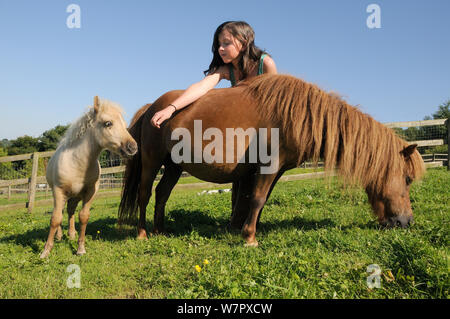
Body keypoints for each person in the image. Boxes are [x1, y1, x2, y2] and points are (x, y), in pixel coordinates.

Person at [150, 20, 277, 128]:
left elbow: (276, 102)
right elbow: (201, 87)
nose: (220, 48)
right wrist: (171, 108)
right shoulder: (226, 70)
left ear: (243, 44)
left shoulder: (266, 63)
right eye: (219, 44)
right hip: (243, 121)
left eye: (226, 43)